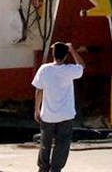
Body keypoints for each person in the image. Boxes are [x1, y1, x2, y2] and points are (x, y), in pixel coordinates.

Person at [32, 42, 85, 172]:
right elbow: (82, 66)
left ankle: (43, 168)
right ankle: (56, 169)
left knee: (45, 143)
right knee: (62, 143)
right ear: (66, 56)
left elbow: (39, 90)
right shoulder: (70, 70)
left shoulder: (44, 69)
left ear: (53, 54)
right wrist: (73, 50)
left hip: (48, 115)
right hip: (65, 115)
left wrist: (37, 109)